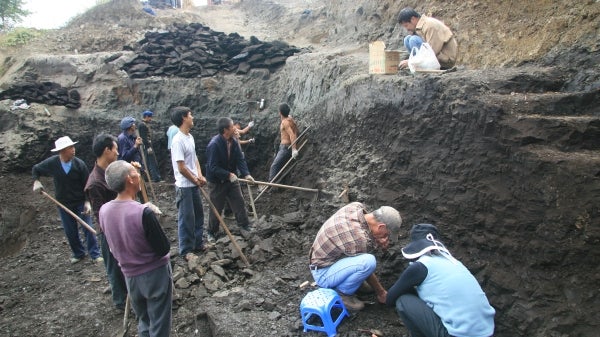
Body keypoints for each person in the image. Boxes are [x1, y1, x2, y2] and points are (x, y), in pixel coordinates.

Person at [100, 160, 172, 337]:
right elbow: (163, 248)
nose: (138, 175)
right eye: (135, 173)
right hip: (154, 275)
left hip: (130, 276)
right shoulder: (142, 213)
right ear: (129, 180)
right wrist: (154, 221)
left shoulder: (104, 210)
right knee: (159, 324)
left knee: (144, 321)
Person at [386, 224, 495, 337]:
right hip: (488, 332)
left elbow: (390, 299)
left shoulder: (421, 266)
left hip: (457, 334)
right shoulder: (455, 263)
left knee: (403, 300)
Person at [309, 202, 402, 311]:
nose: (386, 238)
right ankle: (342, 293)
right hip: (323, 273)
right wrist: (381, 292)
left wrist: (377, 239)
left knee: (363, 261)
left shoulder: (356, 206)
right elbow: (364, 262)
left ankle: (354, 282)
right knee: (368, 261)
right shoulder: (358, 239)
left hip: (328, 259)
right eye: (386, 234)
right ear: (381, 227)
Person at [32, 136, 102, 264]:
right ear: (62, 150)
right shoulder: (53, 163)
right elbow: (36, 169)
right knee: (70, 231)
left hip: (80, 202)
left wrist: (87, 202)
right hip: (63, 203)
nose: (73, 150)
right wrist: (36, 181)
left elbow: (88, 185)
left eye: (73, 147)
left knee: (88, 228)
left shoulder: (79, 164)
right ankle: (79, 253)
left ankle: (95, 254)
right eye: (70, 148)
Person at [84, 134, 127, 311]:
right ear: (107, 150)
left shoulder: (112, 171)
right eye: (115, 149)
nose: (117, 152)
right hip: (109, 231)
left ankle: (127, 291)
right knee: (114, 267)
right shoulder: (95, 183)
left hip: (122, 225)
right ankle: (120, 302)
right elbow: (100, 214)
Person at [205, 117, 255, 242]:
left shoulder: (234, 141)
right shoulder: (214, 144)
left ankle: (244, 225)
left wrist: (246, 174)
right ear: (225, 130)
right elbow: (213, 167)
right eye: (232, 126)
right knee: (216, 207)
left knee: (239, 202)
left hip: (231, 179)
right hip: (217, 182)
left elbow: (240, 159)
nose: (235, 128)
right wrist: (228, 175)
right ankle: (211, 231)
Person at [170, 106, 207, 259]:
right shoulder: (177, 140)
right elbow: (181, 167)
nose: (192, 117)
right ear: (184, 118)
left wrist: (200, 175)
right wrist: (195, 179)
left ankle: (198, 243)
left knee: (198, 214)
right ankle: (186, 250)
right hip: (184, 186)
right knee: (186, 218)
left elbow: (194, 159)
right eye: (190, 114)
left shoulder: (189, 137)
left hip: (193, 184)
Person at [268, 103, 298, 182]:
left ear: (280, 113)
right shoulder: (290, 119)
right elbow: (295, 130)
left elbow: (292, 134)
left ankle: (270, 185)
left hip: (285, 147)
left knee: (274, 166)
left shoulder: (285, 122)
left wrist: (294, 149)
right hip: (284, 146)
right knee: (278, 165)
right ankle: (277, 184)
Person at [138, 110, 163, 182]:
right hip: (146, 146)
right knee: (151, 161)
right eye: (150, 117)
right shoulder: (142, 125)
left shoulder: (144, 124)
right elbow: (144, 137)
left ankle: (151, 178)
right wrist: (148, 146)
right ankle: (156, 178)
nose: (150, 119)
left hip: (147, 145)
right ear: (146, 116)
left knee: (149, 161)